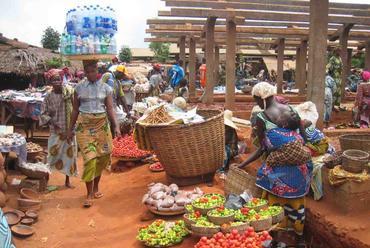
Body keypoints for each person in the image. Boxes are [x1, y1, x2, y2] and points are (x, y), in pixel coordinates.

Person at [238, 82, 312, 248]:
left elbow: (263, 148)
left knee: (274, 202)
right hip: (301, 168)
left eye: (256, 100)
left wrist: (243, 164)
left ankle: (276, 238)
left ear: (259, 98)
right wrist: (293, 146)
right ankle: (300, 239)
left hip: (279, 170)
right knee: (297, 203)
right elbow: (305, 138)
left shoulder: (262, 118)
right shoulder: (291, 110)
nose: (256, 103)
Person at [67, 60, 121, 208]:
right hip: (84, 125)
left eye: (93, 71)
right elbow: (75, 110)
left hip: (101, 125)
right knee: (90, 159)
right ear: (84, 71)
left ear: (98, 71)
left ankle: (96, 186)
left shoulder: (106, 88)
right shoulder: (78, 88)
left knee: (104, 156)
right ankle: (89, 193)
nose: (91, 74)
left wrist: (116, 126)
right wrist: (70, 129)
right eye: (88, 71)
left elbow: (110, 109)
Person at [40, 69, 78, 188]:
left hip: (69, 130)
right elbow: (43, 114)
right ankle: (46, 179)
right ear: (50, 82)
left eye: (59, 79)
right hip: (55, 131)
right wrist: (52, 121)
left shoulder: (69, 93)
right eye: (54, 80)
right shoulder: (48, 97)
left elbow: (76, 109)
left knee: (70, 156)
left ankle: (67, 181)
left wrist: (72, 128)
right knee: (52, 156)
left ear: (62, 80)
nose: (57, 82)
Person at [219, 110, 238, 176]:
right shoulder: (220, 127)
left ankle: (221, 170)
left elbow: (225, 143)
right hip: (222, 147)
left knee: (223, 151)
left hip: (231, 149)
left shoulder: (230, 129)